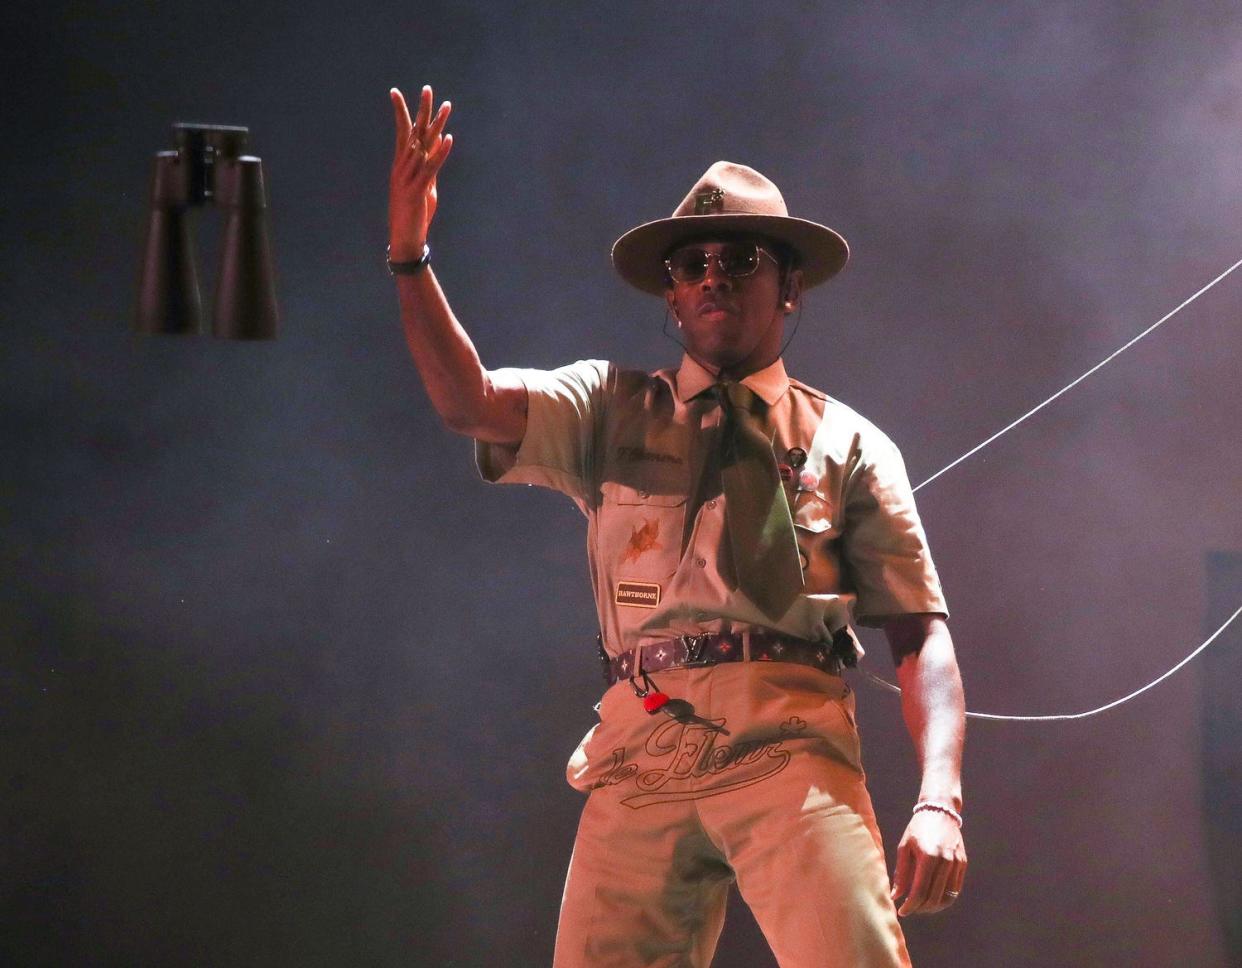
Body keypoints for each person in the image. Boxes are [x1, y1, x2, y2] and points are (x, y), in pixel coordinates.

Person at [387, 84, 967, 968]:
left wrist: (939, 800)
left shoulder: (850, 444)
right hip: (641, 749)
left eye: (737, 261)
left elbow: (921, 635)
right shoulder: (610, 407)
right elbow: (468, 402)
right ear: (670, 290)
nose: (710, 280)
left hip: (788, 747)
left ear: (789, 285)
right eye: (691, 264)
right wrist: (410, 257)